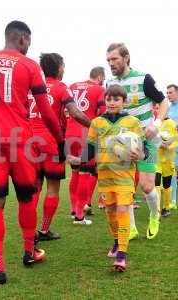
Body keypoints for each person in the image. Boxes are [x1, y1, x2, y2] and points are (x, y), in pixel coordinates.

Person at [0, 20, 65, 285]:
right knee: (27, 198)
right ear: (23, 39)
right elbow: (45, 111)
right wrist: (59, 140)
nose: (28, 47)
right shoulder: (29, 65)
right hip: (22, 142)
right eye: (29, 42)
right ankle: (29, 252)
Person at [68, 84, 145, 272]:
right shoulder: (97, 123)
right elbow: (91, 149)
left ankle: (122, 255)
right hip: (104, 174)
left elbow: (145, 149)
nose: (111, 103)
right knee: (110, 211)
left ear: (124, 101)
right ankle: (117, 241)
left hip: (125, 175)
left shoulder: (132, 122)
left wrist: (140, 155)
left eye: (116, 99)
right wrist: (79, 159)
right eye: (109, 99)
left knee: (122, 209)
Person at [106, 43, 169, 240]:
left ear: (126, 58)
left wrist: (156, 124)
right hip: (122, 143)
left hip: (146, 140)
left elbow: (163, 101)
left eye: (114, 59)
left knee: (147, 186)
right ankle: (131, 228)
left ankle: (154, 214)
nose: (111, 63)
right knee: (125, 188)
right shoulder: (109, 83)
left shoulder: (143, 78)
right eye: (108, 60)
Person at [29, 53, 90, 240]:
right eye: (63, 66)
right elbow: (76, 114)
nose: (64, 69)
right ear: (59, 67)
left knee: (34, 189)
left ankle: (30, 233)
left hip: (29, 142)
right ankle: (44, 230)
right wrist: (96, 126)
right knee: (52, 188)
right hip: (51, 143)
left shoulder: (31, 88)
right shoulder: (61, 88)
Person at [66, 66, 106, 224]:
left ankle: (73, 210)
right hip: (86, 134)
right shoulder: (99, 89)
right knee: (85, 173)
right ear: (100, 76)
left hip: (70, 133)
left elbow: (66, 109)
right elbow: (102, 115)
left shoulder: (73, 86)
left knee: (75, 172)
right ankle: (79, 215)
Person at [155, 117, 178, 217]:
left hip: (168, 159)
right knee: (156, 184)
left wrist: (168, 146)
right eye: (155, 108)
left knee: (166, 185)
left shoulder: (171, 123)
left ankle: (166, 207)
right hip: (156, 159)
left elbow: (176, 141)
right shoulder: (153, 122)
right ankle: (156, 210)